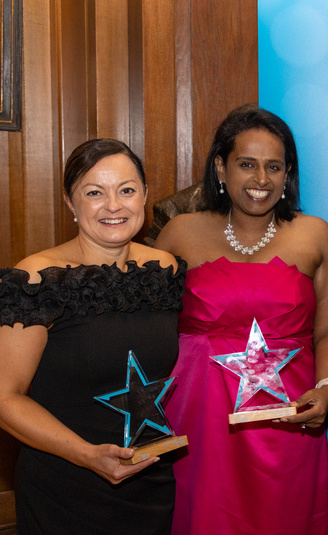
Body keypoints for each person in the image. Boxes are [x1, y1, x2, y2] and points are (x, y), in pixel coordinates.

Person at [154, 104, 328, 534]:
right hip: (198, 424)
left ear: (287, 173)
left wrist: (327, 389)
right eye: (247, 165)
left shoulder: (315, 234)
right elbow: (144, 328)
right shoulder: (180, 233)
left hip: (289, 421)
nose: (261, 180)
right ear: (220, 168)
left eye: (274, 167)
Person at [0, 139, 184, 534]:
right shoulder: (38, 278)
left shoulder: (163, 270)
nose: (114, 205)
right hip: (66, 487)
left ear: (146, 195)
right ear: (70, 202)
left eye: (127, 190)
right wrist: (86, 455)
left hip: (149, 483)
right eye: (95, 193)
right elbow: (4, 398)